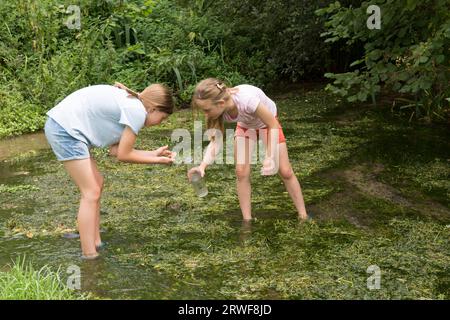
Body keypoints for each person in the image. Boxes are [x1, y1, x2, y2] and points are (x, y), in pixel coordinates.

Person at [44, 82, 175, 259]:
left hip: (66, 128)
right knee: (90, 192)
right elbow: (123, 155)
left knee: (97, 184)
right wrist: (157, 160)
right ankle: (89, 255)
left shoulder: (133, 106)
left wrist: (153, 153)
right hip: (65, 130)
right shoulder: (136, 111)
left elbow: (115, 151)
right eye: (163, 117)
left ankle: (96, 242)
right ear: (152, 109)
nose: (161, 123)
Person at [187, 78, 308, 221]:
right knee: (241, 171)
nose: (205, 115)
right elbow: (215, 142)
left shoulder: (247, 100)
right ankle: (247, 220)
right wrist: (203, 165)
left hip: (268, 123)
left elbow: (272, 124)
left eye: (207, 110)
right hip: (246, 125)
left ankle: (303, 215)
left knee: (285, 171)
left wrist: (269, 156)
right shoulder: (218, 112)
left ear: (220, 103)